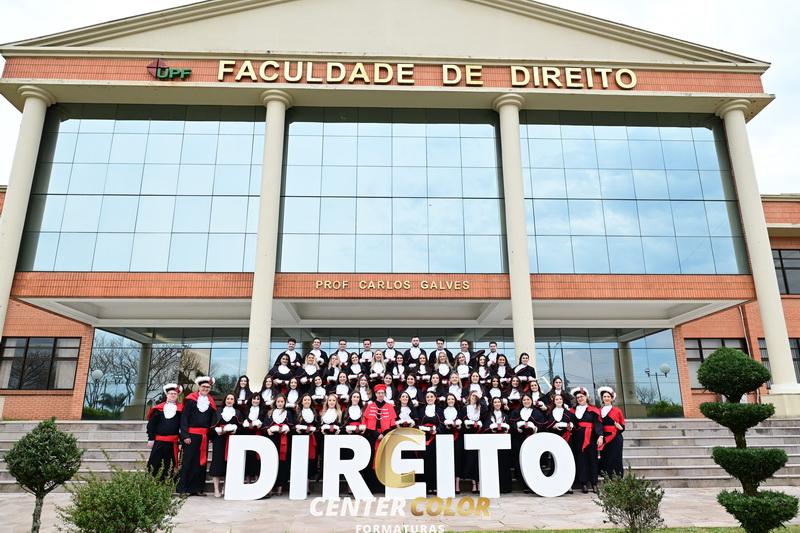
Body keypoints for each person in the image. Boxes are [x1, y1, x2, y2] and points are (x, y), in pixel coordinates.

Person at [178, 376, 217, 496]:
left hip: (204, 437)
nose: (205, 388)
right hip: (191, 436)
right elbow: (184, 419)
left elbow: (212, 421)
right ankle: (183, 489)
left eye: (208, 387)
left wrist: (211, 436)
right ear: (199, 387)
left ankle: (198, 489)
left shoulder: (211, 402)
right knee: (188, 462)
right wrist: (185, 436)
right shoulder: (190, 400)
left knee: (201, 463)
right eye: (203, 386)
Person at [363, 384, 397, 493]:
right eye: (379, 393)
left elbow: (392, 424)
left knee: (385, 460)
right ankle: (372, 486)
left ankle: (384, 486)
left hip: (386, 436)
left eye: (382, 393)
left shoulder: (389, 407)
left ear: (384, 394)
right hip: (373, 436)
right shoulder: (370, 406)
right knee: (372, 459)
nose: (380, 395)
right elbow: (366, 423)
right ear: (376, 394)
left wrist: (384, 433)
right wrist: (376, 434)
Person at [569, 387, 603, 494]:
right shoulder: (573, 411)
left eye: (582, 396)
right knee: (581, 459)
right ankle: (583, 483)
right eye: (578, 397)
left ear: (586, 397)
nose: (580, 398)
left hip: (591, 437)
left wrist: (600, 436)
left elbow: (598, 424)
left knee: (592, 459)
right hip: (577, 438)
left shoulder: (593, 410)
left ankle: (594, 483)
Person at [146, 383, 183, 480]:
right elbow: (151, 425)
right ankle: (151, 482)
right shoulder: (158, 409)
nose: (173, 395)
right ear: (167, 395)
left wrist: (181, 441)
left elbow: (182, 426)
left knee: (169, 464)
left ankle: (168, 483)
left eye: (175, 394)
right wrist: (151, 438)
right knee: (155, 462)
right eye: (171, 393)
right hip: (159, 442)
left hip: (173, 443)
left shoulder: (181, 410)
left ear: (177, 396)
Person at [210, 393, 240, 497]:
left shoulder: (238, 412)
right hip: (219, 441)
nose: (229, 400)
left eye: (232, 399)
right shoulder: (218, 412)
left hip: (232, 441)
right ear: (225, 400)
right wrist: (218, 430)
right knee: (217, 465)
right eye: (228, 398)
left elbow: (242, 428)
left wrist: (234, 429)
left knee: (230, 465)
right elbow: (211, 428)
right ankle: (216, 489)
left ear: (234, 401)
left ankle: (226, 487)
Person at [265, 394, 294, 496]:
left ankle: (280, 487)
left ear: (284, 403)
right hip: (272, 440)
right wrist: (268, 430)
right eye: (278, 401)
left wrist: (287, 429)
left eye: (282, 401)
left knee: (283, 463)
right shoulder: (270, 412)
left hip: (284, 440)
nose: (280, 403)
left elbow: (292, 426)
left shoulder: (288, 413)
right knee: (272, 462)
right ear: (275, 402)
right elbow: (265, 426)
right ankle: (270, 486)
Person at [597, 386, 626, 480]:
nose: (606, 398)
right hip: (604, 437)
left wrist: (619, 427)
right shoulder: (599, 411)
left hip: (615, 437)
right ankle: (606, 476)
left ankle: (617, 476)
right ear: (602, 398)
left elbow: (622, 426)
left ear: (612, 398)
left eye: (608, 396)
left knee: (616, 457)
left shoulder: (617, 410)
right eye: (604, 396)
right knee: (605, 456)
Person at [438, 393, 464, 494]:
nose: (450, 401)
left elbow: (463, 425)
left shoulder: (459, 411)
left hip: (458, 438)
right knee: (446, 460)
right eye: (448, 399)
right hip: (446, 438)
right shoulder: (442, 411)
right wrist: (446, 426)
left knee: (458, 459)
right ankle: (447, 483)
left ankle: (457, 484)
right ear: (446, 401)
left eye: (452, 399)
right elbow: (440, 424)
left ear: (455, 400)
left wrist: (459, 427)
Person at [461, 391, 486, 494]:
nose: (474, 397)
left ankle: (479, 482)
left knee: (478, 459)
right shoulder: (464, 408)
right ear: (469, 396)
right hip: (468, 435)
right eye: (473, 395)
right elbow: (462, 420)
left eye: (476, 396)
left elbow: (485, 415)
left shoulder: (481, 408)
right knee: (470, 459)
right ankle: (473, 483)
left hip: (479, 435)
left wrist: (481, 398)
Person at [488, 396, 513, 493]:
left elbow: (510, 428)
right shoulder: (489, 415)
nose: (497, 403)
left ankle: (505, 487)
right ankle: (494, 486)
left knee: (504, 464)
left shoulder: (505, 415)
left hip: (504, 442)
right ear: (492, 404)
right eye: (495, 402)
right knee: (494, 464)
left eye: (499, 402)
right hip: (492, 442)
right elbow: (486, 427)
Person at [295, 393, 320, 488]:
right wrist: (297, 430)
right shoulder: (297, 412)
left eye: (308, 400)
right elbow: (294, 425)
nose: (307, 401)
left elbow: (318, 426)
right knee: (301, 460)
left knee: (311, 460)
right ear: (301, 402)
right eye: (305, 400)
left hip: (312, 438)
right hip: (300, 439)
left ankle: (307, 483)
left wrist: (313, 430)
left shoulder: (315, 412)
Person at [241, 393, 267, 483]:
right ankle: (248, 478)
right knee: (248, 456)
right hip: (247, 434)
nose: (256, 401)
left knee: (257, 456)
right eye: (254, 399)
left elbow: (264, 422)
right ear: (251, 400)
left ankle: (257, 477)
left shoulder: (263, 411)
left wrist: (260, 425)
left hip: (258, 434)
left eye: (258, 399)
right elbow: (243, 421)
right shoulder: (246, 410)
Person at [419, 391, 440, 494]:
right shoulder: (421, 410)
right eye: (428, 397)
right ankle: (427, 486)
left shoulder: (439, 410)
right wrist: (425, 429)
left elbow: (442, 423)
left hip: (436, 439)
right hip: (423, 438)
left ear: (435, 398)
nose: (430, 398)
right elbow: (418, 423)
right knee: (425, 461)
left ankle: (434, 485)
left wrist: (437, 430)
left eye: (432, 396)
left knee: (435, 462)